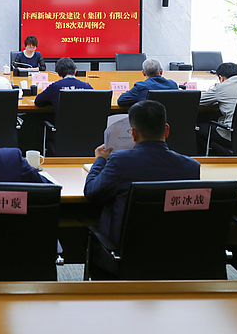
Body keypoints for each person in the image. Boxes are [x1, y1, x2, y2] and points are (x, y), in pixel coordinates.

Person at [84, 100, 200, 248]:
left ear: (133, 133)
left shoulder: (120, 162)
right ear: (166, 130)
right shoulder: (191, 167)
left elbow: (91, 192)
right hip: (172, 250)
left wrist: (100, 160)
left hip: (126, 251)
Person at [197, 62, 237, 153]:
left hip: (232, 135)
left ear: (221, 78)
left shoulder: (221, 87)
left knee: (198, 129)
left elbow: (196, 100)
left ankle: (210, 158)